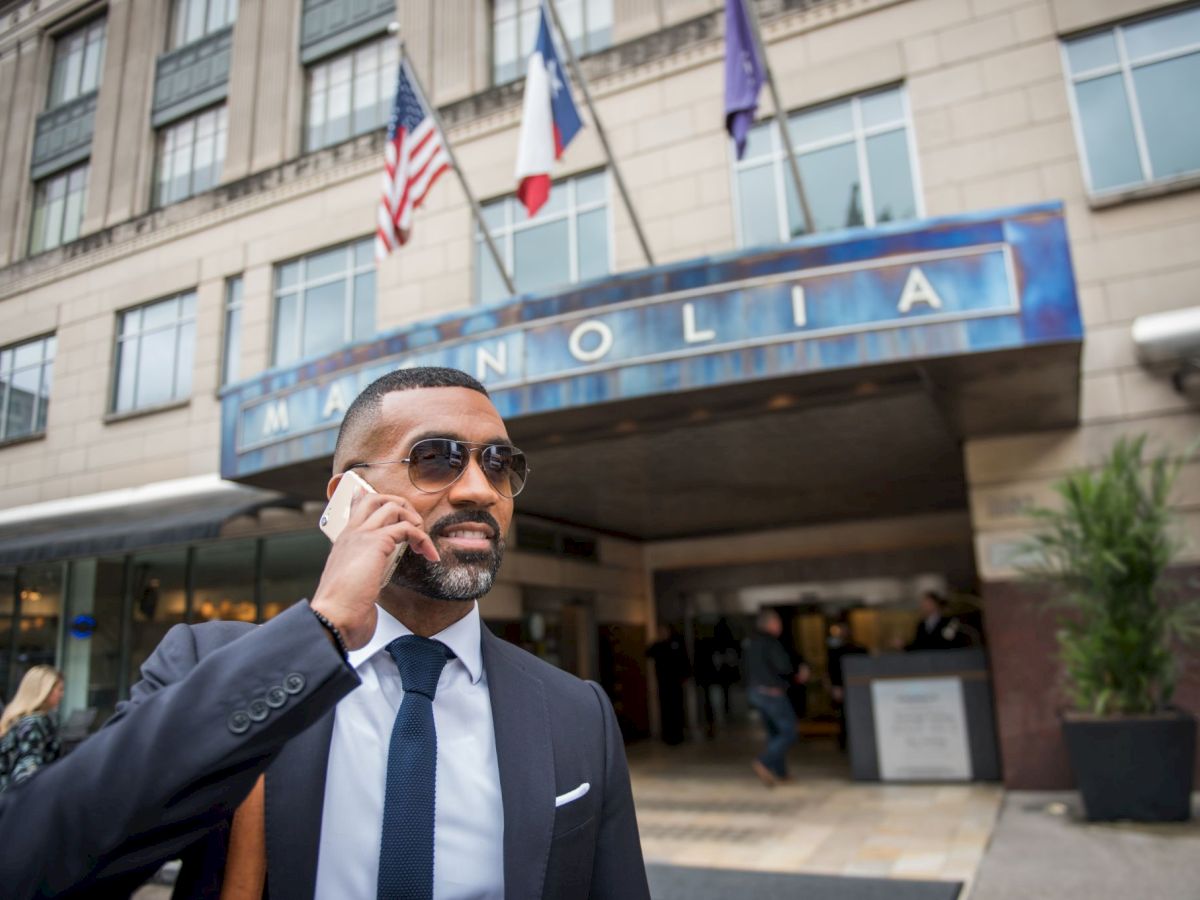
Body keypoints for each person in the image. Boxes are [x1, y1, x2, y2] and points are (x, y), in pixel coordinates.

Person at [0, 367, 649, 900]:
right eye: (437, 459)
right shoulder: (209, 661)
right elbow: (34, 863)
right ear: (348, 495)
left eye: (500, 464)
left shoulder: (575, 711)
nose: (480, 488)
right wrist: (322, 628)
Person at [744, 609, 808, 787]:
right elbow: (783, 667)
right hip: (772, 694)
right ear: (770, 624)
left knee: (774, 734)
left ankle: (782, 774)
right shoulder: (771, 643)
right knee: (789, 732)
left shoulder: (750, 643)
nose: (779, 626)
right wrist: (797, 675)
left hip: (756, 692)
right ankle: (764, 762)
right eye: (777, 622)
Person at [0, 666, 64, 792]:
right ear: (44, 691)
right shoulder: (33, 723)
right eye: (60, 689)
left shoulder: (19, 720)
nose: (62, 695)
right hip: (18, 802)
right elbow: (28, 768)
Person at [646, 625, 691, 745]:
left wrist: (685, 676)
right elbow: (648, 653)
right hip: (663, 683)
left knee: (677, 709)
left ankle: (678, 734)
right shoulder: (658, 646)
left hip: (675, 683)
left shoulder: (676, 643)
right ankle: (668, 735)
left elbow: (684, 660)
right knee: (666, 710)